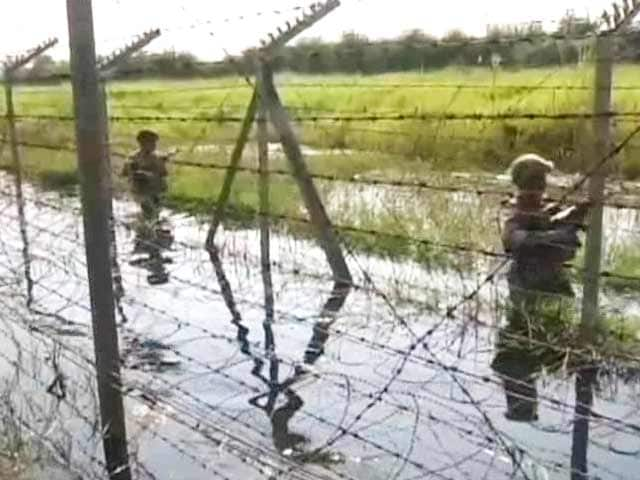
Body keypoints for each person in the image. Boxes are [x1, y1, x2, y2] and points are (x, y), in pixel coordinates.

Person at [491, 153, 589, 421]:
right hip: (528, 290)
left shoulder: (545, 210)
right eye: (536, 181)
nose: (539, 187)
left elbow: (556, 234)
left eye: (540, 182)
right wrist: (562, 227)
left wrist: (563, 220)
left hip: (551, 290)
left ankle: (559, 354)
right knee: (529, 332)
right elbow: (518, 240)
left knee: (549, 333)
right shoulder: (514, 213)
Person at [122, 129, 169, 224]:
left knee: (155, 211)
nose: (154, 145)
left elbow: (164, 173)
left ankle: (150, 225)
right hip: (141, 190)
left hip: (156, 189)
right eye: (151, 143)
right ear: (141, 143)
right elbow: (125, 173)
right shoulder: (133, 158)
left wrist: (160, 165)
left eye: (155, 143)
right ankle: (147, 227)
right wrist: (133, 169)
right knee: (148, 211)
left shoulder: (157, 157)